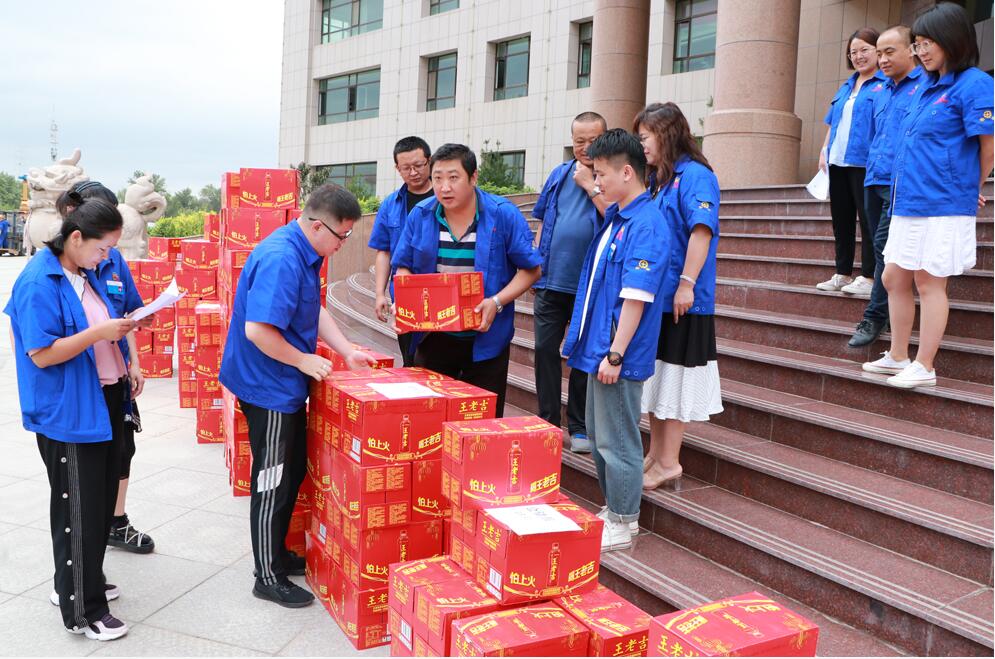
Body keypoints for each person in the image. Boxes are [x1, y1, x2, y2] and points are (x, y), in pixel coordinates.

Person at [219, 184, 379, 607]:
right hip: (268, 385)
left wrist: (346, 350)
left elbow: (313, 309)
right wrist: (303, 361)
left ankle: (276, 552)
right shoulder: (282, 259)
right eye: (341, 237)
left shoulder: (307, 252)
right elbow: (258, 331)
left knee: (291, 472)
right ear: (315, 224)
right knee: (272, 479)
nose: (342, 246)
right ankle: (265, 575)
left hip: (283, 381)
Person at [5, 199, 136, 640]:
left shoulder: (85, 273)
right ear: (76, 238)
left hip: (101, 400)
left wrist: (120, 344)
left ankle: (83, 581)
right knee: (77, 511)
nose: (108, 258)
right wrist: (99, 333)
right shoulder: (41, 280)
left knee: (97, 506)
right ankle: (84, 610)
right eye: (103, 249)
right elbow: (41, 354)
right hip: (69, 409)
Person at [863, 2, 994, 387]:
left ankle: (925, 365)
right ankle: (898, 354)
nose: (921, 51)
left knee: (929, 281)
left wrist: (972, 189)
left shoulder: (974, 84)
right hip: (909, 200)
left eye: (927, 43)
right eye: (917, 43)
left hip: (943, 202)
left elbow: (988, 148)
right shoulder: (924, 85)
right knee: (892, 277)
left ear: (952, 40)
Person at [563, 128, 669, 552]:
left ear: (627, 172)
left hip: (617, 353)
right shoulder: (619, 218)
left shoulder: (646, 224)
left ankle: (625, 520)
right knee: (601, 434)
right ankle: (613, 508)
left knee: (617, 439)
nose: (598, 181)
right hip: (598, 350)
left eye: (602, 173)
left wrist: (616, 353)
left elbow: (636, 298)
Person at [392, 143, 541, 417]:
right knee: (429, 418)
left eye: (453, 177)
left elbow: (531, 269)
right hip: (433, 337)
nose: (444, 187)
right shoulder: (422, 214)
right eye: (437, 178)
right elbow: (403, 266)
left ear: (473, 177)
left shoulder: (502, 214)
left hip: (487, 338)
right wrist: (404, 299)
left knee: (482, 424)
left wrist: (497, 302)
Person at [56, 181, 155, 554]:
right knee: (83, 467)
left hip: (116, 373)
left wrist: (136, 361)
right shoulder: (61, 268)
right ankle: (85, 541)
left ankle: (115, 521)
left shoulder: (113, 260)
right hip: (81, 381)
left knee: (121, 449)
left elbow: (127, 311)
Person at [635, 102, 723, 491]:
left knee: (675, 381)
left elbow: (700, 232)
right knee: (658, 380)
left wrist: (687, 283)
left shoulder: (695, 176)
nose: (641, 147)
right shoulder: (660, 179)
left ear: (665, 134)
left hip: (684, 299)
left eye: (644, 137)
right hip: (659, 298)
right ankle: (655, 454)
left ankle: (669, 461)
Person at [532, 112, 607, 454]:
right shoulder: (559, 174)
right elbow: (544, 221)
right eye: (580, 141)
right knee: (545, 350)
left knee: (579, 356)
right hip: (551, 280)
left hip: (589, 285)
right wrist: (534, 264)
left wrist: (590, 185)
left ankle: (578, 425)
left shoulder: (613, 178)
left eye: (593, 140)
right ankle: (548, 422)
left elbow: (619, 216)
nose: (586, 147)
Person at [848, 26, 923, 347]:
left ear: (913, 51)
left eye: (889, 52)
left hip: (903, 183)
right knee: (882, 251)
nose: (882, 59)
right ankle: (886, 310)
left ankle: (876, 315)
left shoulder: (925, 88)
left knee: (883, 250)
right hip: (874, 179)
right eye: (879, 53)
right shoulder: (879, 90)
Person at [816, 27, 884, 294]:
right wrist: (824, 149)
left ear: (878, 51)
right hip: (838, 162)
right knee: (841, 220)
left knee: (868, 220)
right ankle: (842, 273)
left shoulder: (884, 86)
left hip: (865, 163)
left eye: (864, 50)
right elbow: (834, 123)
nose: (858, 56)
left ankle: (868, 276)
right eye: (853, 52)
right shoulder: (846, 86)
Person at [369, 136, 435, 366]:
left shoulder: (446, 198)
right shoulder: (391, 204)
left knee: (438, 360)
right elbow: (384, 251)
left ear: (430, 161)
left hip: (439, 291)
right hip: (404, 295)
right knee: (410, 358)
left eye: (419, 165)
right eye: (406, 168)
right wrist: (379, 294)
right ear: (397, 168)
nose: (413, 172)